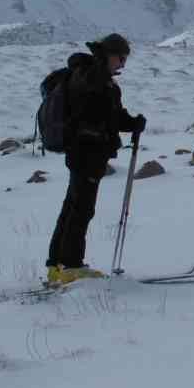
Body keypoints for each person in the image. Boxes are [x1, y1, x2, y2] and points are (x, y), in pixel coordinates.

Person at [45, 33, 146, 284]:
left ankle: (57, 265)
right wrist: (128, 124)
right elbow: (102, 116)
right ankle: (71, 266)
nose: (122, 64)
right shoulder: (95, 79)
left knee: (72, 206)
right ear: (110, 54)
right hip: (88, 152)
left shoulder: (87, 75)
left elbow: (110, 116)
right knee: (81, 209)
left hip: (80, 151)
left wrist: (131, 123)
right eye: (121, 59)